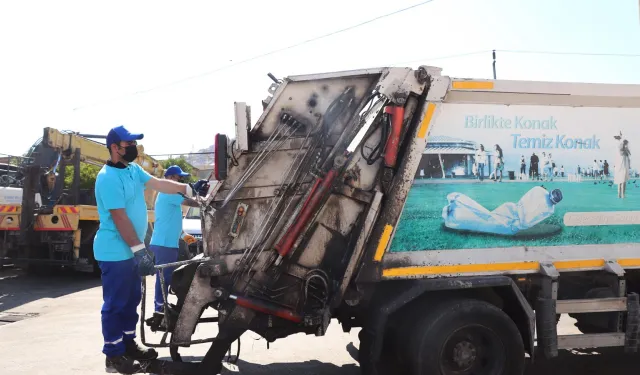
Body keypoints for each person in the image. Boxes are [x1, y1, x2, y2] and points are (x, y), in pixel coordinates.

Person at [93, 125, 209, 374]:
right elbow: (120, 218)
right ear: (115, 147)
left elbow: (158, 183)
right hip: (115, 251)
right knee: (116, 303)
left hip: (131, 250)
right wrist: (139, 249)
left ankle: (128, 345)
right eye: (129, 144)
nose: (133, 148)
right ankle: (113, 356)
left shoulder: (133, 170)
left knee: (132, 300)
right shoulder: (107, 178)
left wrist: (185, 188)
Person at [148, 165, 202, 325]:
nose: (180, 181)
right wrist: (208, 199)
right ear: (170, 178)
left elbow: (171, 221)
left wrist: (184, 236)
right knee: (164, 277)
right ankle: (159, 308)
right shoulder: (167, 191)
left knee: (167, 277)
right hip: (164, 244)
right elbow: (190, 201)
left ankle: (162, 305)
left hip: (168, 243)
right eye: (178, 178)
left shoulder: (169, 195)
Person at [614, 132, 631, 198]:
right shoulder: (621, 151)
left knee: (621, 181)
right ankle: (622, 195)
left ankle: (620, 195)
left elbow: (628, 154)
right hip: (622, 167)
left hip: (621, 167)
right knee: (622, 181)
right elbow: (622, 149)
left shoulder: (622, 151)